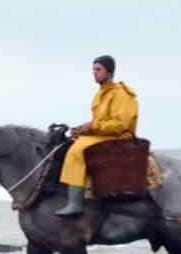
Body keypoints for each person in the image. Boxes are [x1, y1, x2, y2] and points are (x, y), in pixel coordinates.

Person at [56, 55, 139, 217]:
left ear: (109, 72)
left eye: (98, 69)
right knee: (68, 143)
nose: (95, 73)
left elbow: (119, 124)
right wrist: (82, 129)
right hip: (105, 135)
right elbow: (100, 121)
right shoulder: (101, 93)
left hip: (119, 138)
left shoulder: (121, 94)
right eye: (93, 69)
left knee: (77, 151)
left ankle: (75, 204)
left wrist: (92, 126)